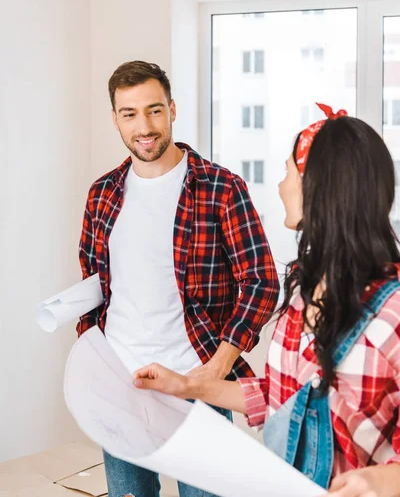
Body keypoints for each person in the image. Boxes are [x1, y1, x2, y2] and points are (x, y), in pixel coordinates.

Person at [134, 105, 400, 497]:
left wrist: (381, 480)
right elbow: (278, 397)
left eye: (289, 172)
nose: (281, 186)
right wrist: (185, 386)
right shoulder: (301, 294)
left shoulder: (392, 312)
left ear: (318, 188)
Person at [77, 60, 279, 497]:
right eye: (129, 114)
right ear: (115, 119)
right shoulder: (103, 194)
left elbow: (262, 281)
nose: (144, 126)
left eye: (154, 110)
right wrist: (95, 361)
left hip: (196, 387)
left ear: (172, 109)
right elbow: (93, 289)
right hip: (123, 389)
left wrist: (216, 368)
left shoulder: (220, 188)